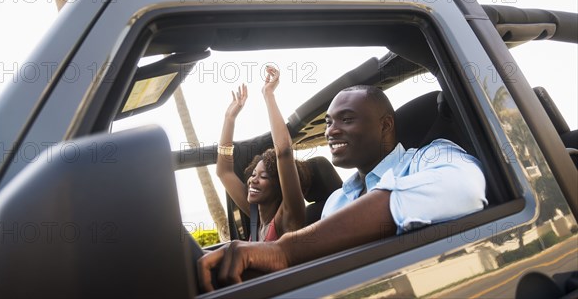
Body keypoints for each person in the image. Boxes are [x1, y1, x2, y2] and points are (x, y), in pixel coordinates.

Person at [198, 85, 487, 291]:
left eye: (346, 119)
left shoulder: (429, 157)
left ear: (385, 125)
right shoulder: (337, 200)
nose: (330, 131)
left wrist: (283, 251)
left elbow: (465, 189)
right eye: (328, 122)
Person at [216, 65, 309, 242]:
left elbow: (283, 151)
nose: (253, 180)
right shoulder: (256, 217)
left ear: (279, 185)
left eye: (263, 176)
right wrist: (229, 119)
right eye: (253, 174)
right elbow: (224, 172)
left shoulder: (288, 218)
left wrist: (268, 94)